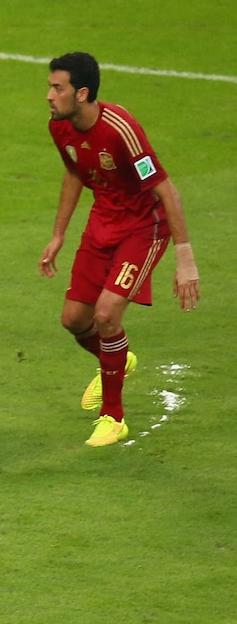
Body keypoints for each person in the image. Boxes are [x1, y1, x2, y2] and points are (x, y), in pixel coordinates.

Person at [38, 52, 199, 446]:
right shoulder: (60, 128)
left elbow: (166, 189)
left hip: (144, 228)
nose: (49, 96)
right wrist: (58, 233)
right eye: (50, 86)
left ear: (82, 93)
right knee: (75, 319)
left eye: (57, 88)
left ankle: (114, 416)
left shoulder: (120, 129)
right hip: (102, 223)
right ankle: (118, 358)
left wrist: (185, 258)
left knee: (107, 315)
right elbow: (75, 171)